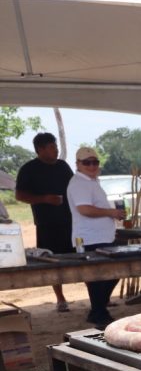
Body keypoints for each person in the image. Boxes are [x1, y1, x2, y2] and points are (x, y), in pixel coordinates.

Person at [65, 147, 125, 329]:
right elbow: (84, 209)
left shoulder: (91, 181)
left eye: (95, 162)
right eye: (87, 162)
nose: (92, 165)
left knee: (109, 274)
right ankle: (98, 311)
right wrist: (111, 212)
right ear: (78, 165)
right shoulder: (79, 183)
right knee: (101, 276)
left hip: (100, 236)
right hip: (90, 238)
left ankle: (98, 309)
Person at [15, 132, 74, 312]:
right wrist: (44, 199)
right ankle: (60, 298)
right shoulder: (29, 169)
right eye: (51, 147)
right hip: (46, 223)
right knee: (52, 260)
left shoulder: (63, 166)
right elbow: (20, 195)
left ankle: (96, 295)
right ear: (40, 149)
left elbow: (74, 188)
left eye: (56, 146)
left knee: (81, 256)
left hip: (70, 221)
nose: (56, 150)